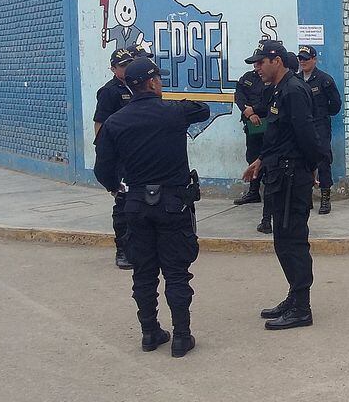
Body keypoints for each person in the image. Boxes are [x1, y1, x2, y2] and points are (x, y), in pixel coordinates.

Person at [94, 58, 211, 358]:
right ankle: (181, 337)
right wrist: (170, 104)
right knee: (176, 273)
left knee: (143, 273)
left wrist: (115, 188)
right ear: (152, 82)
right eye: (158, 79)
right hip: (173, 204)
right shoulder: (174, 112)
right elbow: (203, 109)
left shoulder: (115, 122)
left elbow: (102, 169)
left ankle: (149, 332)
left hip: (135, 204)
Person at [242, 40, 322, 330]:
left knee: (293, 242)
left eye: (260, 62)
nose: (257, 68)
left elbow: (307, 136)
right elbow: (279, 137)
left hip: (291, 178)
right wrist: (261, 160)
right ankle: (294, 296)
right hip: (279, 174)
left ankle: (302, 307)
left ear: (276, 61)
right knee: (282, 241)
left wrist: (310, 169)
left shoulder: (293, 90)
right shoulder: (278, 90)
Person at [94, 48, 136, 269]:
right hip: (120, 156)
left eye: (130, 63)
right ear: (113, 69)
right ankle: (123, 251)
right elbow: (100, 124)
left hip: (139, 153)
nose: (127, 68)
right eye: (122, 65)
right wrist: (104, 154)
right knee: (123, 203)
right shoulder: (109, 92)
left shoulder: (138, 85)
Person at [296, 45, 341, 214]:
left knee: (323, 160)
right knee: (303, 161)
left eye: (306, 59)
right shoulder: (296, 79)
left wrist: (323, 114)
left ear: (314, 59)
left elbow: (335, 104)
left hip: (320, 125)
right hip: (302, 126)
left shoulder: (324, 80)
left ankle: (325, 198)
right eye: (300, 59)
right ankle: (306, 197)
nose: (303, 62)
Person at [233, 64, 273, 225]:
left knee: (269, 159)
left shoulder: (270, 78)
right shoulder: (248, 78)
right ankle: (253, 191)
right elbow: (239, 95)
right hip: (252, 125)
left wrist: (254, 110)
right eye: (255, 64)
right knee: (252, 156)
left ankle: (269, 193)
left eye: (260, 63)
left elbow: (269, 101)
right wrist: (247, 112)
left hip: (267, 123)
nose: (257, 67)